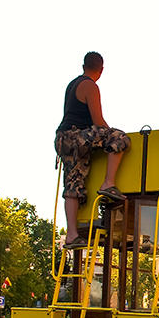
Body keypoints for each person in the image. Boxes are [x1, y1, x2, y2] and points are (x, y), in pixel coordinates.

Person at [55, 51, 132, 249]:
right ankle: (108, 183)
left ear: (83, 66)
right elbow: (98, 121)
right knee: (119, 138)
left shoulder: (73, 85)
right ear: (101, 69)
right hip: (77, 136)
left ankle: (71, 235)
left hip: (64, 140)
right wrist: (109, 133)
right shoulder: (90, 86)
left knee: (72, 185)